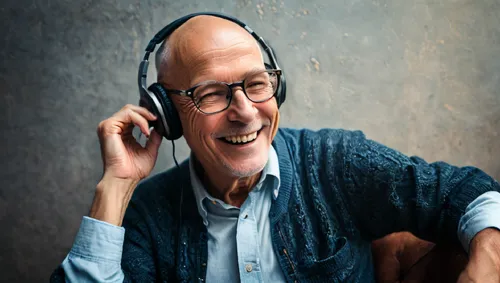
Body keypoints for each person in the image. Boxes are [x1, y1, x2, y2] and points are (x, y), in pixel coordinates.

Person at [50, 13, 500, 282]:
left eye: (256, 84)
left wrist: (489, 257)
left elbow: (465, 192)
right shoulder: (148, 214)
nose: (246, 112)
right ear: (167, 114)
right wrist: (115, 187)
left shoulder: (337, 162)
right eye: (211, 93)